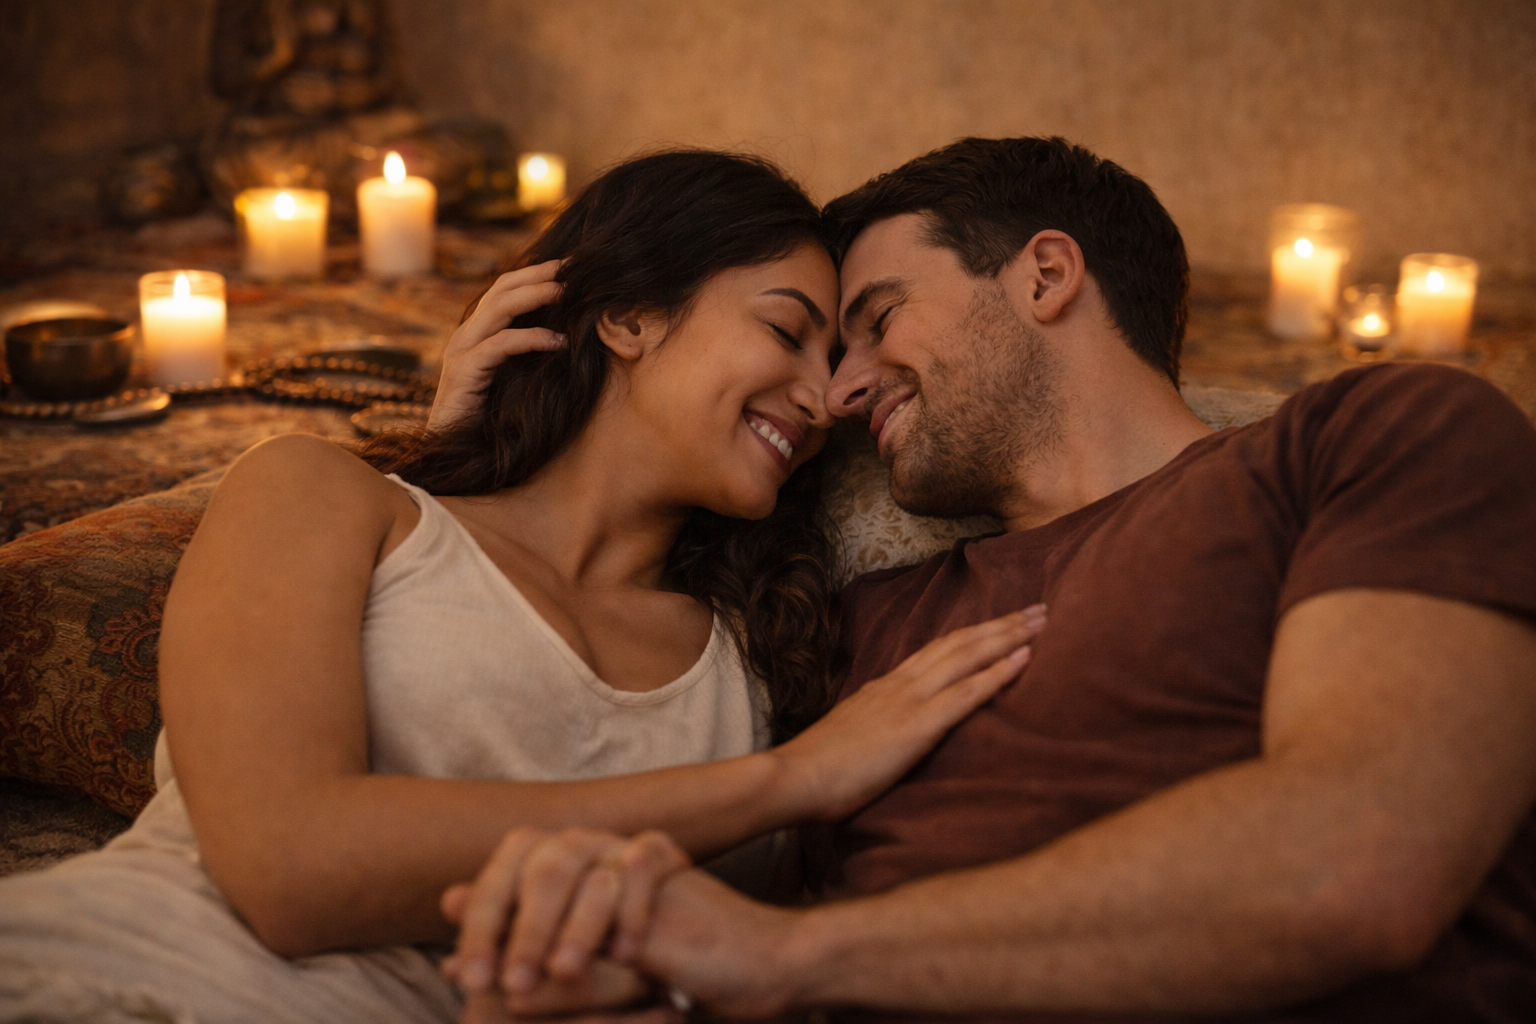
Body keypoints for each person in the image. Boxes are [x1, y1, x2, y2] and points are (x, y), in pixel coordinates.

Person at [445, 137, 1536, 1023]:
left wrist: (781, 954)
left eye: (873, 323)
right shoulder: (852, 632)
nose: (839, 393)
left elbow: (1358, 863)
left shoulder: (1371, 438)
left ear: (1046, 275)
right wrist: (474, 469)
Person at [0, 150, 1045, 1023]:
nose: (824, 398)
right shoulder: (320, 494)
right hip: (102, 978)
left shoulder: (760, 676)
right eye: (785, 331)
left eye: (837, 358)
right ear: (629, 313)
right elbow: (286, 867)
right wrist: (791, 784)